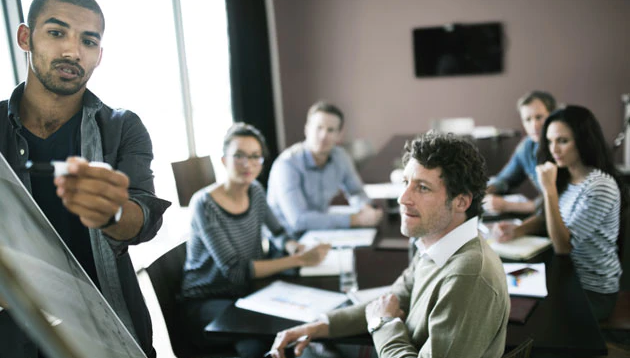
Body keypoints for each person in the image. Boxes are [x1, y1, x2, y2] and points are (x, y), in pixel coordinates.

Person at [0, 0, 170, 356]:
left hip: (110, 328)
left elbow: (144, 218)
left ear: (99, 55)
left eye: (88, 41)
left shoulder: (123, 127)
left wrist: (114, 213)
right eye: (57, 32)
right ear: (25, 37)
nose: (72, 51)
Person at [269, 132, 510, 358]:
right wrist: (321, 325)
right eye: (405, 182)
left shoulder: (468, 276)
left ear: (461, 202)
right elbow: (396, 297)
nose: (402, 198)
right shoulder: (434, 242)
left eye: (422, 188)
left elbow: (384, 313)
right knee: (314, 346)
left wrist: (382, 324)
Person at [179, 123, 331, 358]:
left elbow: (279, 233)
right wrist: (299, 259)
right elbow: (236, 270)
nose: (247, 164)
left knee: (295, 329)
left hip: (247, 295)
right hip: (208, 303)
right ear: (223, 160)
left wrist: (296, 247)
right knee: (260, 345)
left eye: (254, 157)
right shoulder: (204, 204)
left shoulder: (255, 191)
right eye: (238, 156)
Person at [493, 106, 625, 321]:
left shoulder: (599, 186)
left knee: (523, 315)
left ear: (583, 141)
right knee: (499, 288)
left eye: (563, 141)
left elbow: (563, 246)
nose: (554, 149)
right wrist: (517, 230)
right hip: (564, 276)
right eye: (550, 141)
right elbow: (550, 220)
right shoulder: (568, 176)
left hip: (591, 291)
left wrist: (549, 190)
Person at [267, 101, 383, 237]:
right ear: (307, 129)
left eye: (330, 130)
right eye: (319, 128)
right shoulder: (287, 164)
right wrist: (355, 219)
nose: (323, 136)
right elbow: (299, 221)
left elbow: (356, 191)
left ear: (339, 135)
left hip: (320, 232)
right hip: (289, 240)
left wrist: (366, 209)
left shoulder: (340, 156)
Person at [484, 91, 557, 214]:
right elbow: (505, 179)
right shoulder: (527, 146)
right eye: (527, 120)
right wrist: (482, 192)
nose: (534, 125)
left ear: (553, 116)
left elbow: (559, 199)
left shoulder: (562, 150)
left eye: (539, 117)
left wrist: (507, 205)